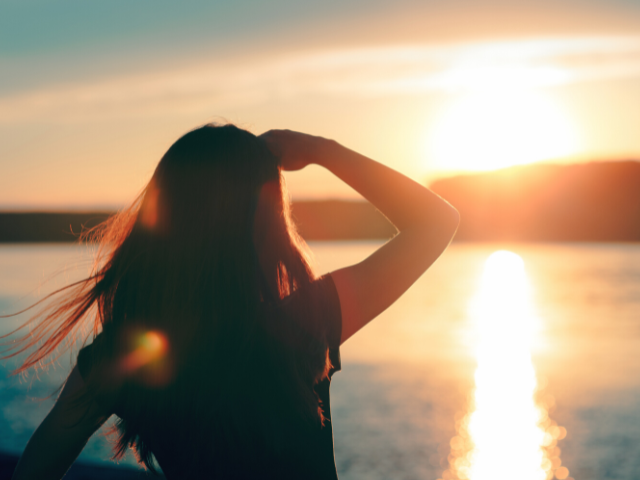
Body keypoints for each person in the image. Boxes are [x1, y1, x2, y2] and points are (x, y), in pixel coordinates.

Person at [3, 124, 459, 479]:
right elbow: (436, 221)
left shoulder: (121, 358)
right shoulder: (302, 325)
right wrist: (321, 150)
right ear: (264, 227)